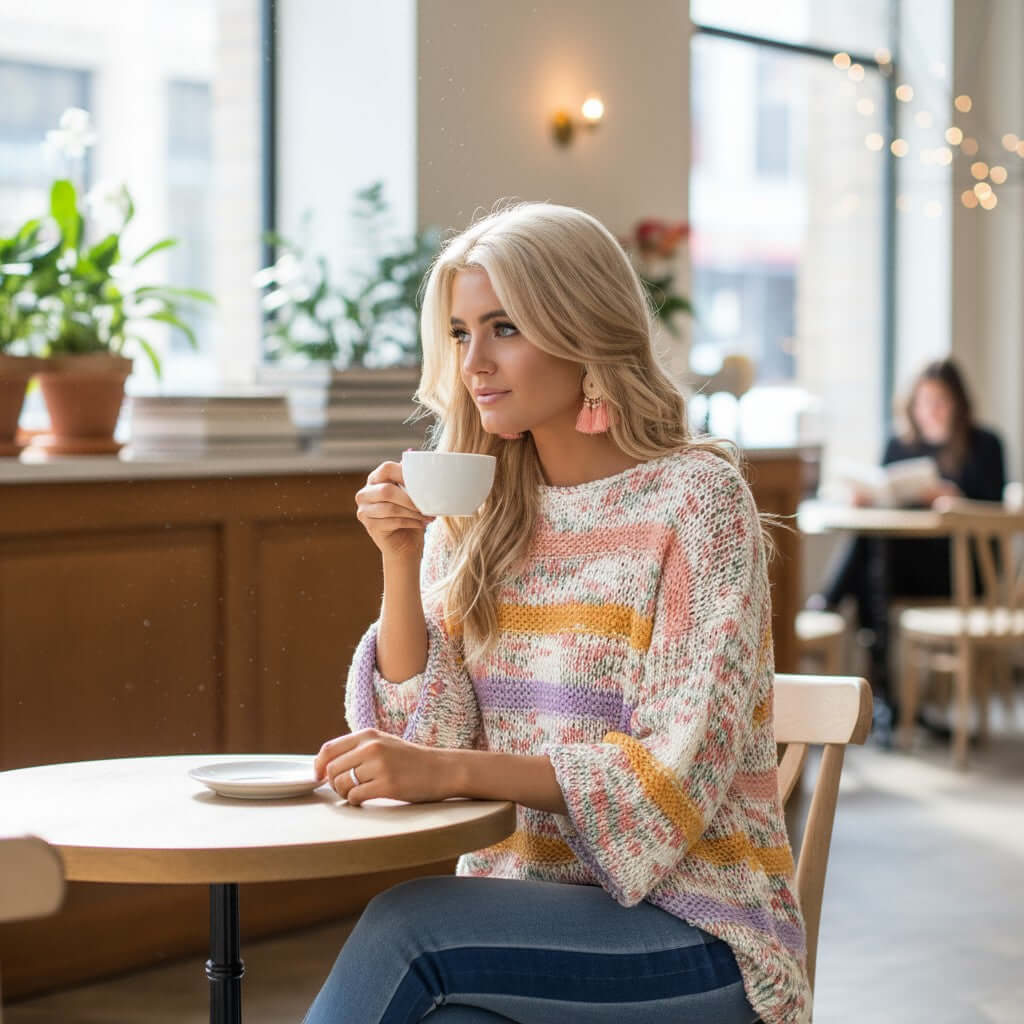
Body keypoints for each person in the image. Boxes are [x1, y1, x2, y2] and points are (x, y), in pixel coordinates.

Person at [303, 203, 810, 1024]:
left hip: (702, 930)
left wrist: (452, 772)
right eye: (463, 334)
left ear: (582, 329)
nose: (475, 362)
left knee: (406, 929)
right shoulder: (478, 509)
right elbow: (424, 739)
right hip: (531, 918)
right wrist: (399, 558)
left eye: (504, 327)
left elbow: (669, 777)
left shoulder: (699, 504)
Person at [811, 358, 1006, 735]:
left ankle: (831, 610)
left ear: (959, 404)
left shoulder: (985, 446)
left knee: (873, 561)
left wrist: (957, 500)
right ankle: (886, 694)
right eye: (922, 402)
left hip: (962, 571)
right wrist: (868, 500)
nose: (929, 411)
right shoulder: (900, 445)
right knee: (874, 552)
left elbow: (994, 517)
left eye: (940, 402)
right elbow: (885, 490)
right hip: (904, 567)